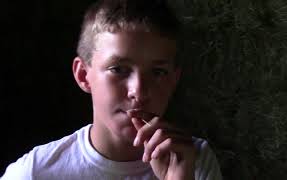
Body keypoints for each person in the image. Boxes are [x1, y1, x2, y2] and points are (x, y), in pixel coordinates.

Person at [1, 0, 222, 179]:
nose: (139, 91)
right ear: (83, 75)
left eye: (158, 72)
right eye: (118, 69)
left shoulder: (193, 161)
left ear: (174, 80)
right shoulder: (34, 174)